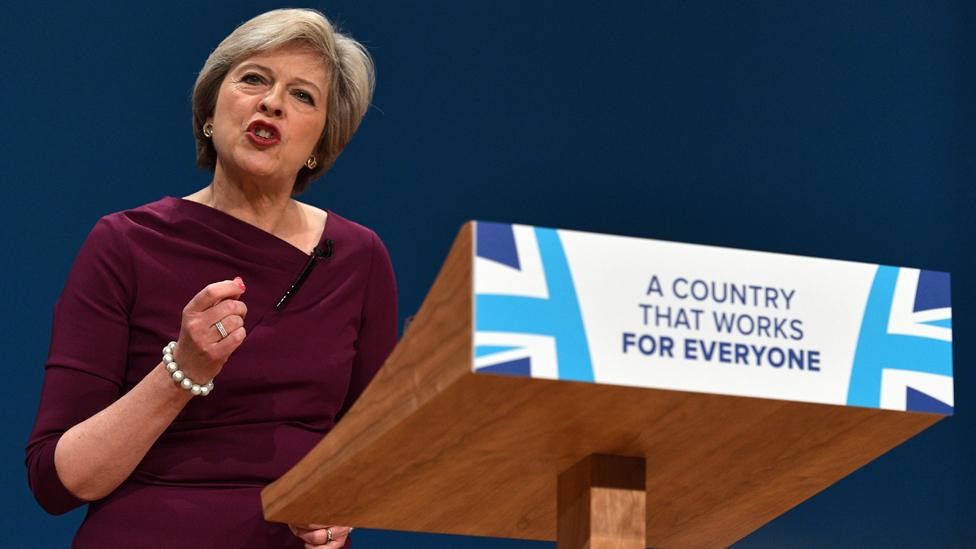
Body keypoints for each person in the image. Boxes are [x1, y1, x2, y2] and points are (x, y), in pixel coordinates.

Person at [24, 8, 396, 548]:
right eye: (253, 79)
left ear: (322, 142)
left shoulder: (359, 258)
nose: (271, 102)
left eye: (302, 96)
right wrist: (182, 370)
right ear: (210, 109)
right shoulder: (125, 244)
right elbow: (58, 482)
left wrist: (339, 512)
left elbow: (374, 451)